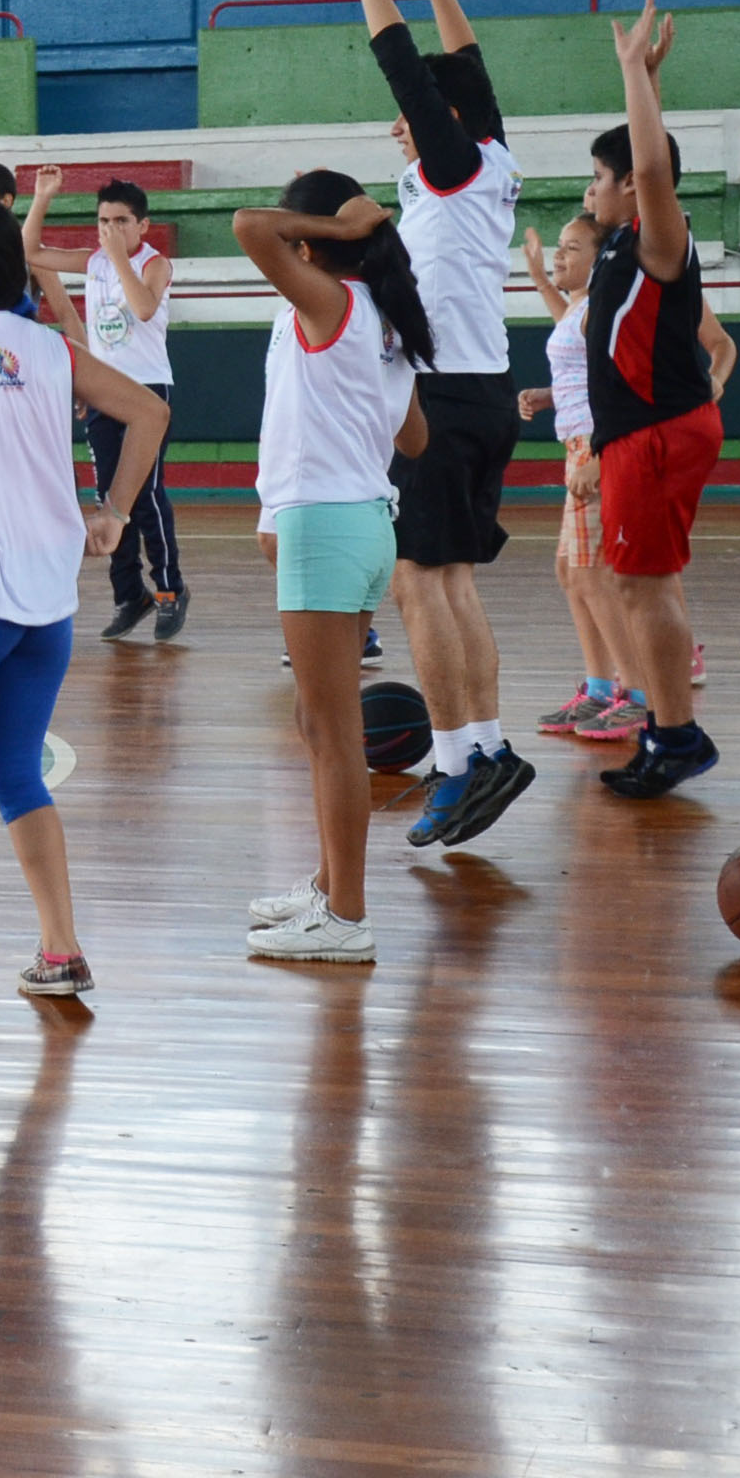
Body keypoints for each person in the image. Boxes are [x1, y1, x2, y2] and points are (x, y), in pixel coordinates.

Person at [0, 195, 169, 1011]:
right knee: (17, 774)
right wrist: (115, 511)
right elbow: (150, 411)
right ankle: (61, 951)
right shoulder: (50, 347)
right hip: (48, 602)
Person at [344, 0, 530, 847]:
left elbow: (409, 66)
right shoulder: (490, 157)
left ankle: (455, 766)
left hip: (446, 396)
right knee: (450, 582)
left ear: (441, 122)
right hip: (483, 390)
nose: (399, 127)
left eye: (413, 119)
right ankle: (488, 749)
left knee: (419, 583)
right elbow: (466, 64)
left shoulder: (456, 165)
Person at [235, 172, 436, 964]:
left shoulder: (335, 304)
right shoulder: (385, 315)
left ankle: (347, 916)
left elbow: (250, 226)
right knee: (319, 724)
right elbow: (414, 438)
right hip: (365, 525)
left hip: (324, 526)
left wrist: (344, 227)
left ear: (314, 240)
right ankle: (328, 886)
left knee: (332, 734)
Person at [579, 0, 723, 800]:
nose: (591, 189)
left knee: (643, 584)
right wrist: (648, 88)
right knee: (642, 581)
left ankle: (675, 735)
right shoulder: (626, 240)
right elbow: (651, 160)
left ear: (631, 186)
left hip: (657, 431)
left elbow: (654, 169)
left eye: (601, 178)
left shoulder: (661, 242)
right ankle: (669, 730)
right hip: (646, 431)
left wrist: (633, 72)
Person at [516, 216, 633, 738]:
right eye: (558, 247)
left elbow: (624, 386)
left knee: (590, 573)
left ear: (600, 258)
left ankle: (636, 692)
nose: (560, 254)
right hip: (578, 445)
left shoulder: (601, 310)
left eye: (572, 248)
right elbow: (574, 348)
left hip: (595, 446)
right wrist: (541, 279)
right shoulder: (582, 309)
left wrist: (602, 456)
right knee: (570, 570)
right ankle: (600, 687)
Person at [76, 179, 186, 642]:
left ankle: (170, 589)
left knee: (145, 495)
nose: (111, 229)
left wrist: (120, 257)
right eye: (104, 220)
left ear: (142, 225)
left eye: (121, 220)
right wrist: (41, 199)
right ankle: (129, 595)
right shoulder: (94, 262)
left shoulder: (154, 263)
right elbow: (32, 252)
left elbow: (143, 308)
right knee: (109, 497)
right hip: (105, 389)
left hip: (147, 388)